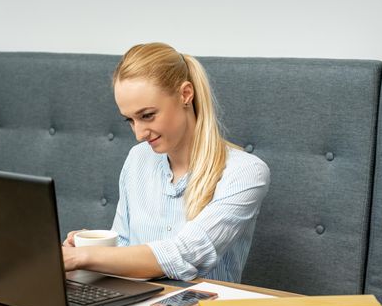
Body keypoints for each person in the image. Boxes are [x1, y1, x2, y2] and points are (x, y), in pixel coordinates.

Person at [62, 42, 270, 282]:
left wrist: (81, 258)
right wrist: (92, 248)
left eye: (147, 115)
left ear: (185, 94)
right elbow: (125, 247)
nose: (139, 134)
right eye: (129, 120)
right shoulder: (137, 158)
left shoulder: (245, 172)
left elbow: (186, 254)